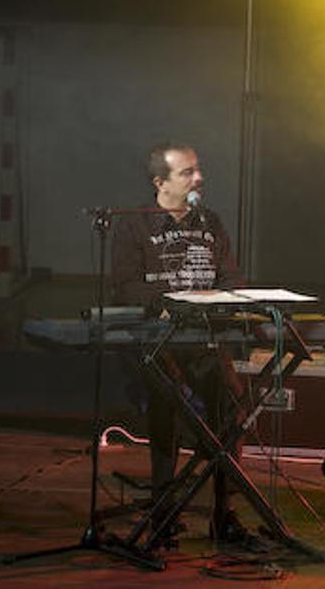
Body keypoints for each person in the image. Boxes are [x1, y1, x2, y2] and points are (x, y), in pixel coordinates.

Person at [110, 141, 251, 548]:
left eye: (197, 170)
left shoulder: (210, 221)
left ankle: (225, 514)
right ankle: (163, 511)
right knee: (168, 409)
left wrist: (227, 300)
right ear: (161, 182)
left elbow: (231, 277)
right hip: (161, 341)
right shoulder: (135, 225)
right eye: (187, 172)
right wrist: (170, 303)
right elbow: (125, 285)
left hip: (206, 340)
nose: (198, 178)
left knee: (232, 408)